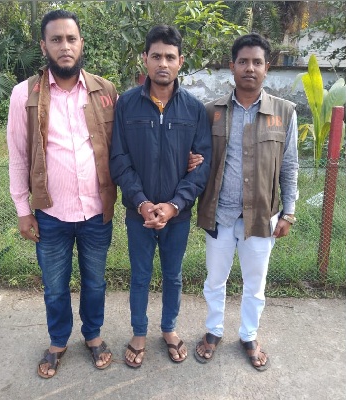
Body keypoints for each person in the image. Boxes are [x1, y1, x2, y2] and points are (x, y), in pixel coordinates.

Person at [6, 10, 119, 379]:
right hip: (51, 215)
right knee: (55, 287)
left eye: (71, 39)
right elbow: (18, 154)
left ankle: (93, 335)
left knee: (95, 282)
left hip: (96, 212)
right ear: (44, 46)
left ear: (81, 43)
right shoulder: (24, 94)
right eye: (56, 39)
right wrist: (23, 210)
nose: (65, 46)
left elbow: (125, 146)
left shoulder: (105, 91)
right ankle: (58, 341)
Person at [194, 33, 299, 372]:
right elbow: (198, 157)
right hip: (219, 215)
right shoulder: (212, 112)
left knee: (255, 285)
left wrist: (289, 212)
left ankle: (249, 335)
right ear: (232, 66)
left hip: (261, 218)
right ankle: (213, 331)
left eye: (257, 62)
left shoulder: (283, 112)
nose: (249, 68)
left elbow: (289, 165)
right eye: (243, 62)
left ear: (267, 68)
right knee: (215, 280)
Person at [109, 24, 212, 368]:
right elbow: (119, 159)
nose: (163, 63)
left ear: (180, 61)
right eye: (156, 56)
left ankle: (169, 328)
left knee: (173, 276)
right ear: (145, 59)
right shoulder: (126, 105)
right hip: (138, 214)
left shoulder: (194, 110)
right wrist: (141, 202)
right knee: (139, 276)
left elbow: (202, 165)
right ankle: (139, 333)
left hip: (177, 216)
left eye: (170, 57)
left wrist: (174, 205)